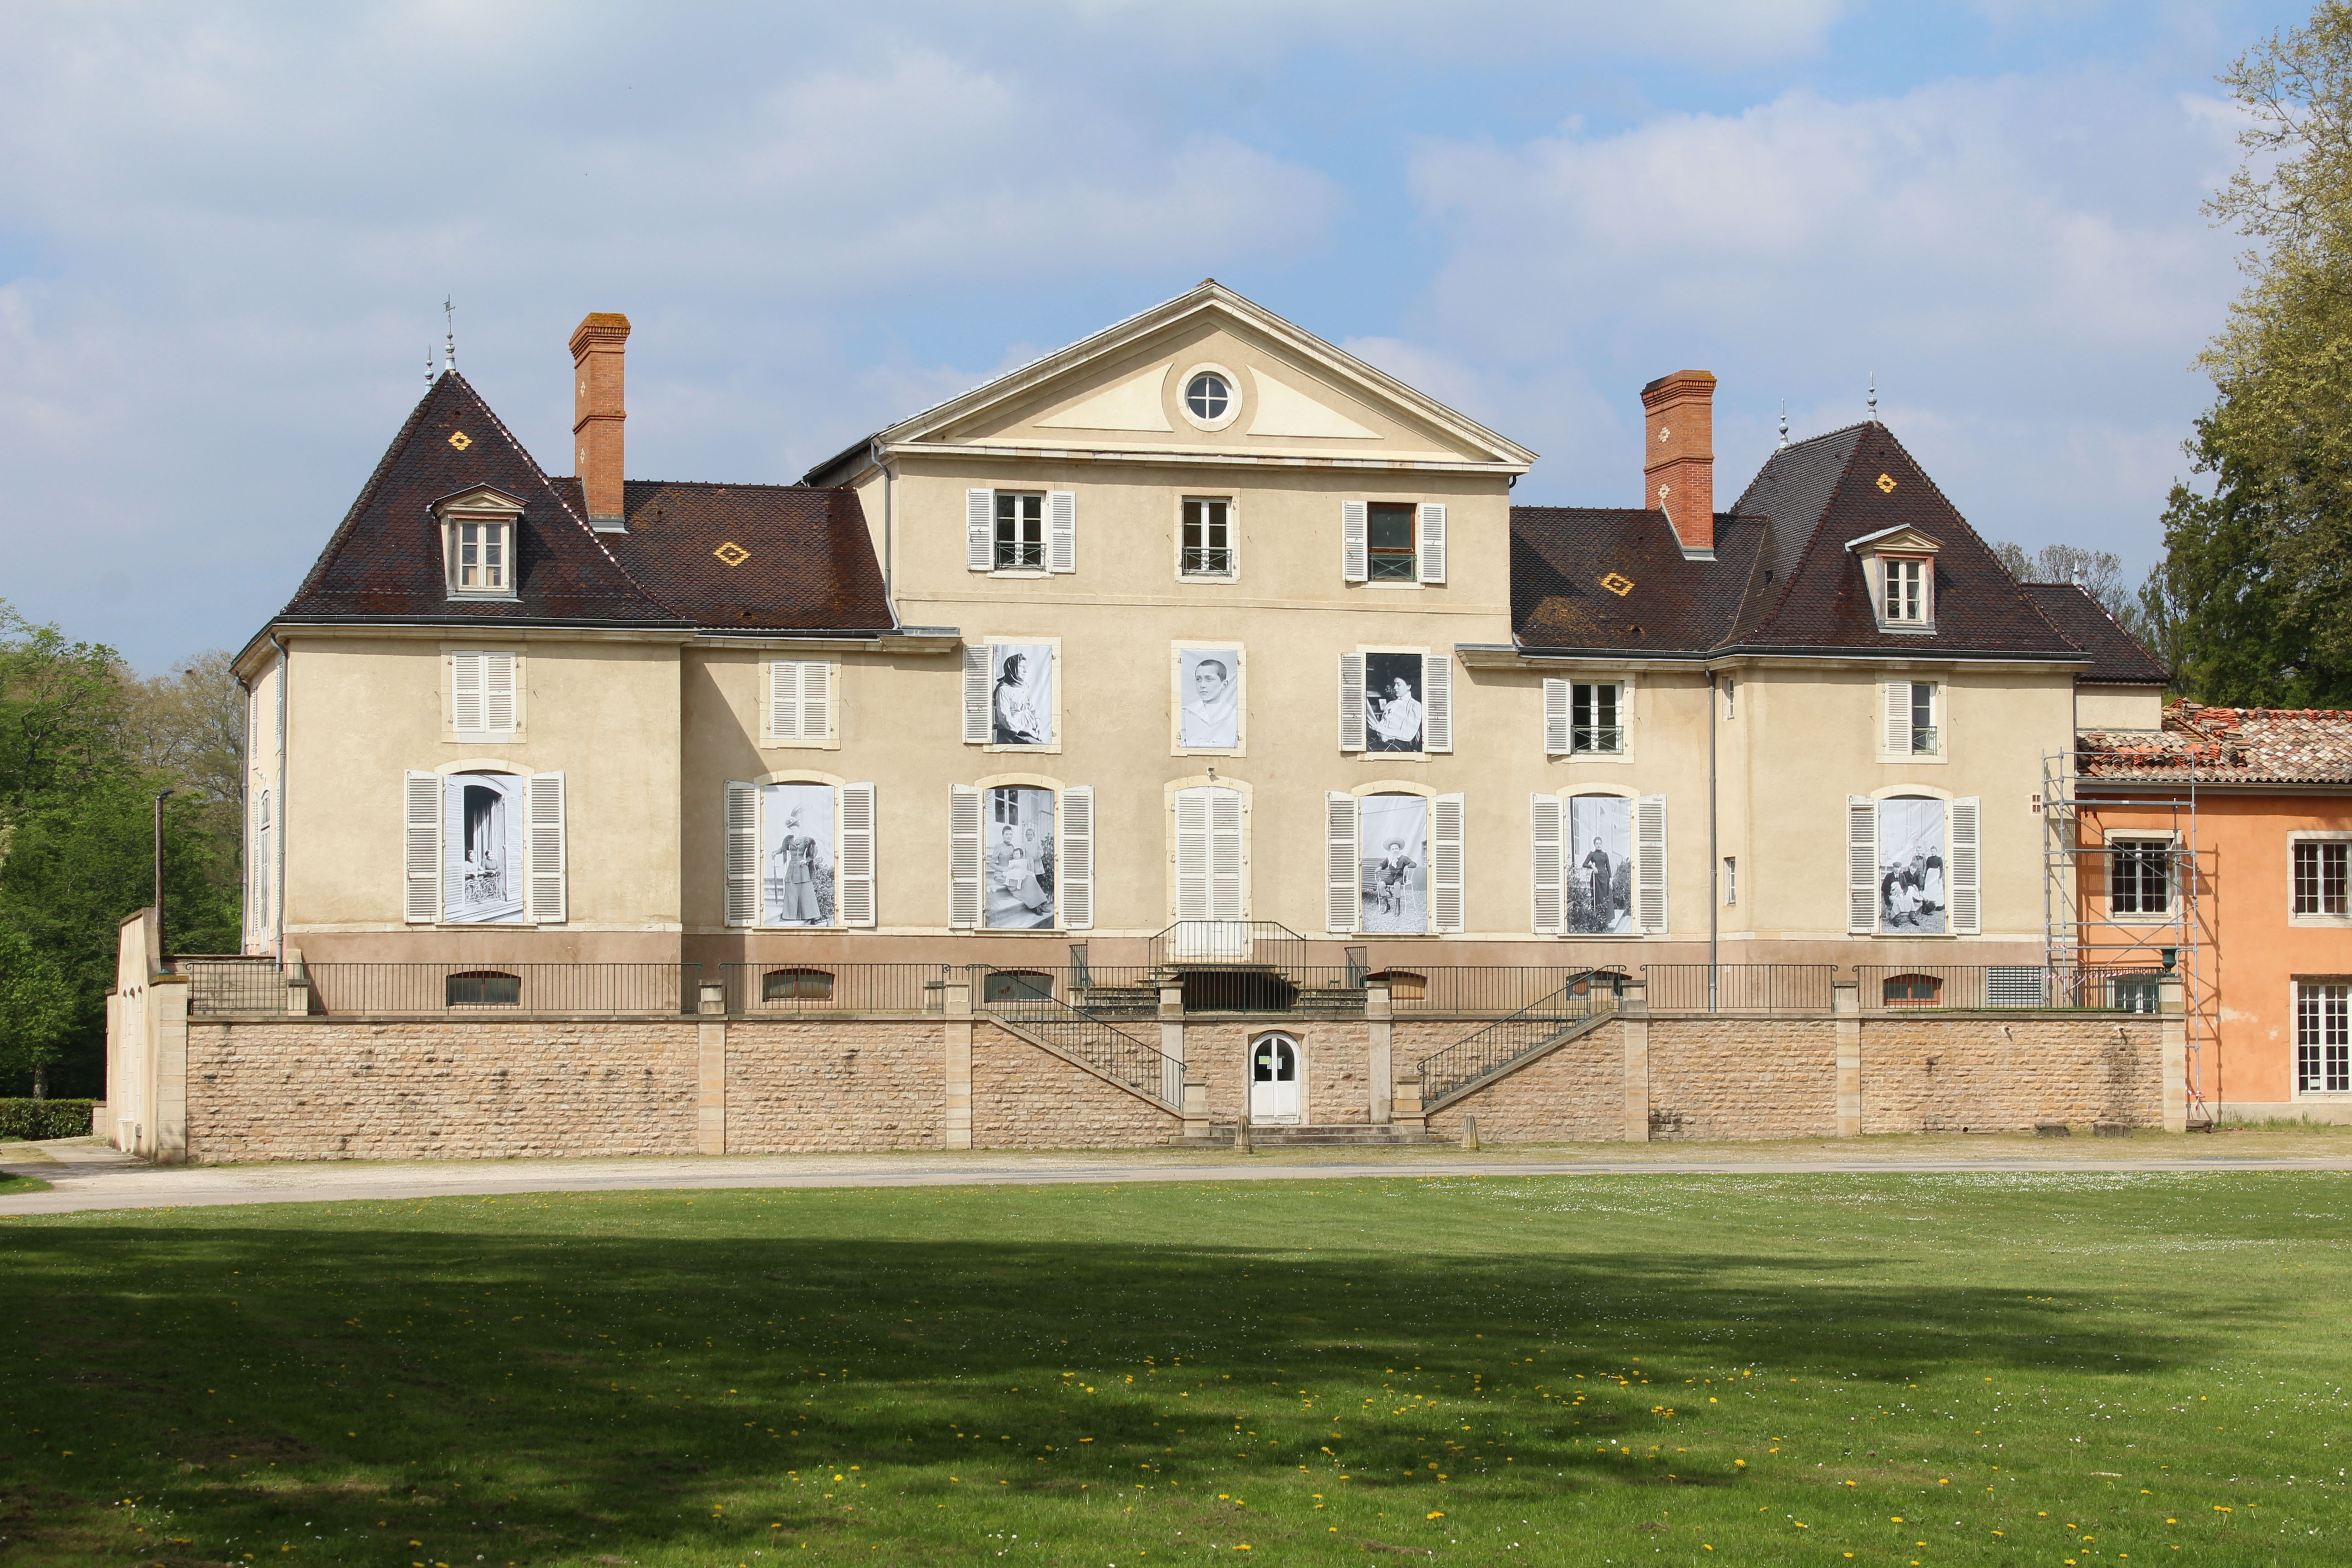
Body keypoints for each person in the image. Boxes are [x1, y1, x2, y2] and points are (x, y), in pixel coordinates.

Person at [988, 823, 1051, 923]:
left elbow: (1016, 860)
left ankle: (1041, 904)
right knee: (1025, 883)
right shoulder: (998, 846)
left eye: (1010, 835)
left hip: (1013, 872)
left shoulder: (1013, 846)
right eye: (1007, 834)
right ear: (1003, 835)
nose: (1009, 836)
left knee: (1030, 877)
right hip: (1001, 875)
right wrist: (1002, 870)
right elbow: (991, 864)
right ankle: (1035, 907)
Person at [773, 810, 823, 925]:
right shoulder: (788, 840)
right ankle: (790, 916)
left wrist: (807, 860)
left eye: (795, 828)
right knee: (791, 890)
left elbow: (814, 850)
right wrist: (776, 852)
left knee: (806, 892)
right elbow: (783, 849)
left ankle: (812, 916)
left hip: (802, 868)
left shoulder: (806, 839)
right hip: (792, 867)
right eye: (791, 829)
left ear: (798, 828)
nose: (793, 830)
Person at [1181, 656, 1239, 748]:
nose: (1202, 685)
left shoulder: (1234, 715)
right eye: (1198, 679)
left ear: (1224, 685)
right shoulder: (1186, 712)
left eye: (1209, 679)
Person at [993, 652, 1047, 745]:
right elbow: (1006, 718)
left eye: (1025, 667)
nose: (1025, 671)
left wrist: (1038, 724)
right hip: (1013, 732)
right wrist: (1027, 731)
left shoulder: (1024, 686)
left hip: (1030, 728)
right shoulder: (1003, 690)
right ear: (1013, 669)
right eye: (1022, 667)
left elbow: (1031, 708)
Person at [1367, 673, 1422, 751]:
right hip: (1383, 740)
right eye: (1395, 684)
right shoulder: (1391, 704)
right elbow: (1382, 725)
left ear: (1408, 687)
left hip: (1400, 744)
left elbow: (1407, 735)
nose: (1395, 688)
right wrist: (1381, 734)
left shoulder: (1415, 705)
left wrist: (1379, 729)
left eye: (1399, 685)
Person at [1373, 838, 1417, 917]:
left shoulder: (1403, 858)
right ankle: (1387, 904)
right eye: (1393, 849)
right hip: (1392, 877)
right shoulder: (1389, 858)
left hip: (1401, 877)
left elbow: (1414, 864)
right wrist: (1380, 867)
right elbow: (1383, 865)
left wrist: (1408, 866)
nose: (1395, 850)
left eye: (1396, 849)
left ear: (1399, 849)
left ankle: (1398, 905)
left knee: (1397, 885)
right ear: (1390, 850)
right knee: (1381, 885)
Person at [1581, 835, 1615, 930]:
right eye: (1597, 844)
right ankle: (1598, 916)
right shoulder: (1592, 854)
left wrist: (1611, 880)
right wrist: (1592, 866)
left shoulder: (1605, 854)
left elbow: (1608, 867)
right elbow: (1584, 864)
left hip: (1605, 878)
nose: (1599, 845)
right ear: (1594, 845)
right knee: (1598, 897)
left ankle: (1608, 918)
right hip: (1596, 878)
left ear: (1602, 844)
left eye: (1600, 844)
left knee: (1606, 897)